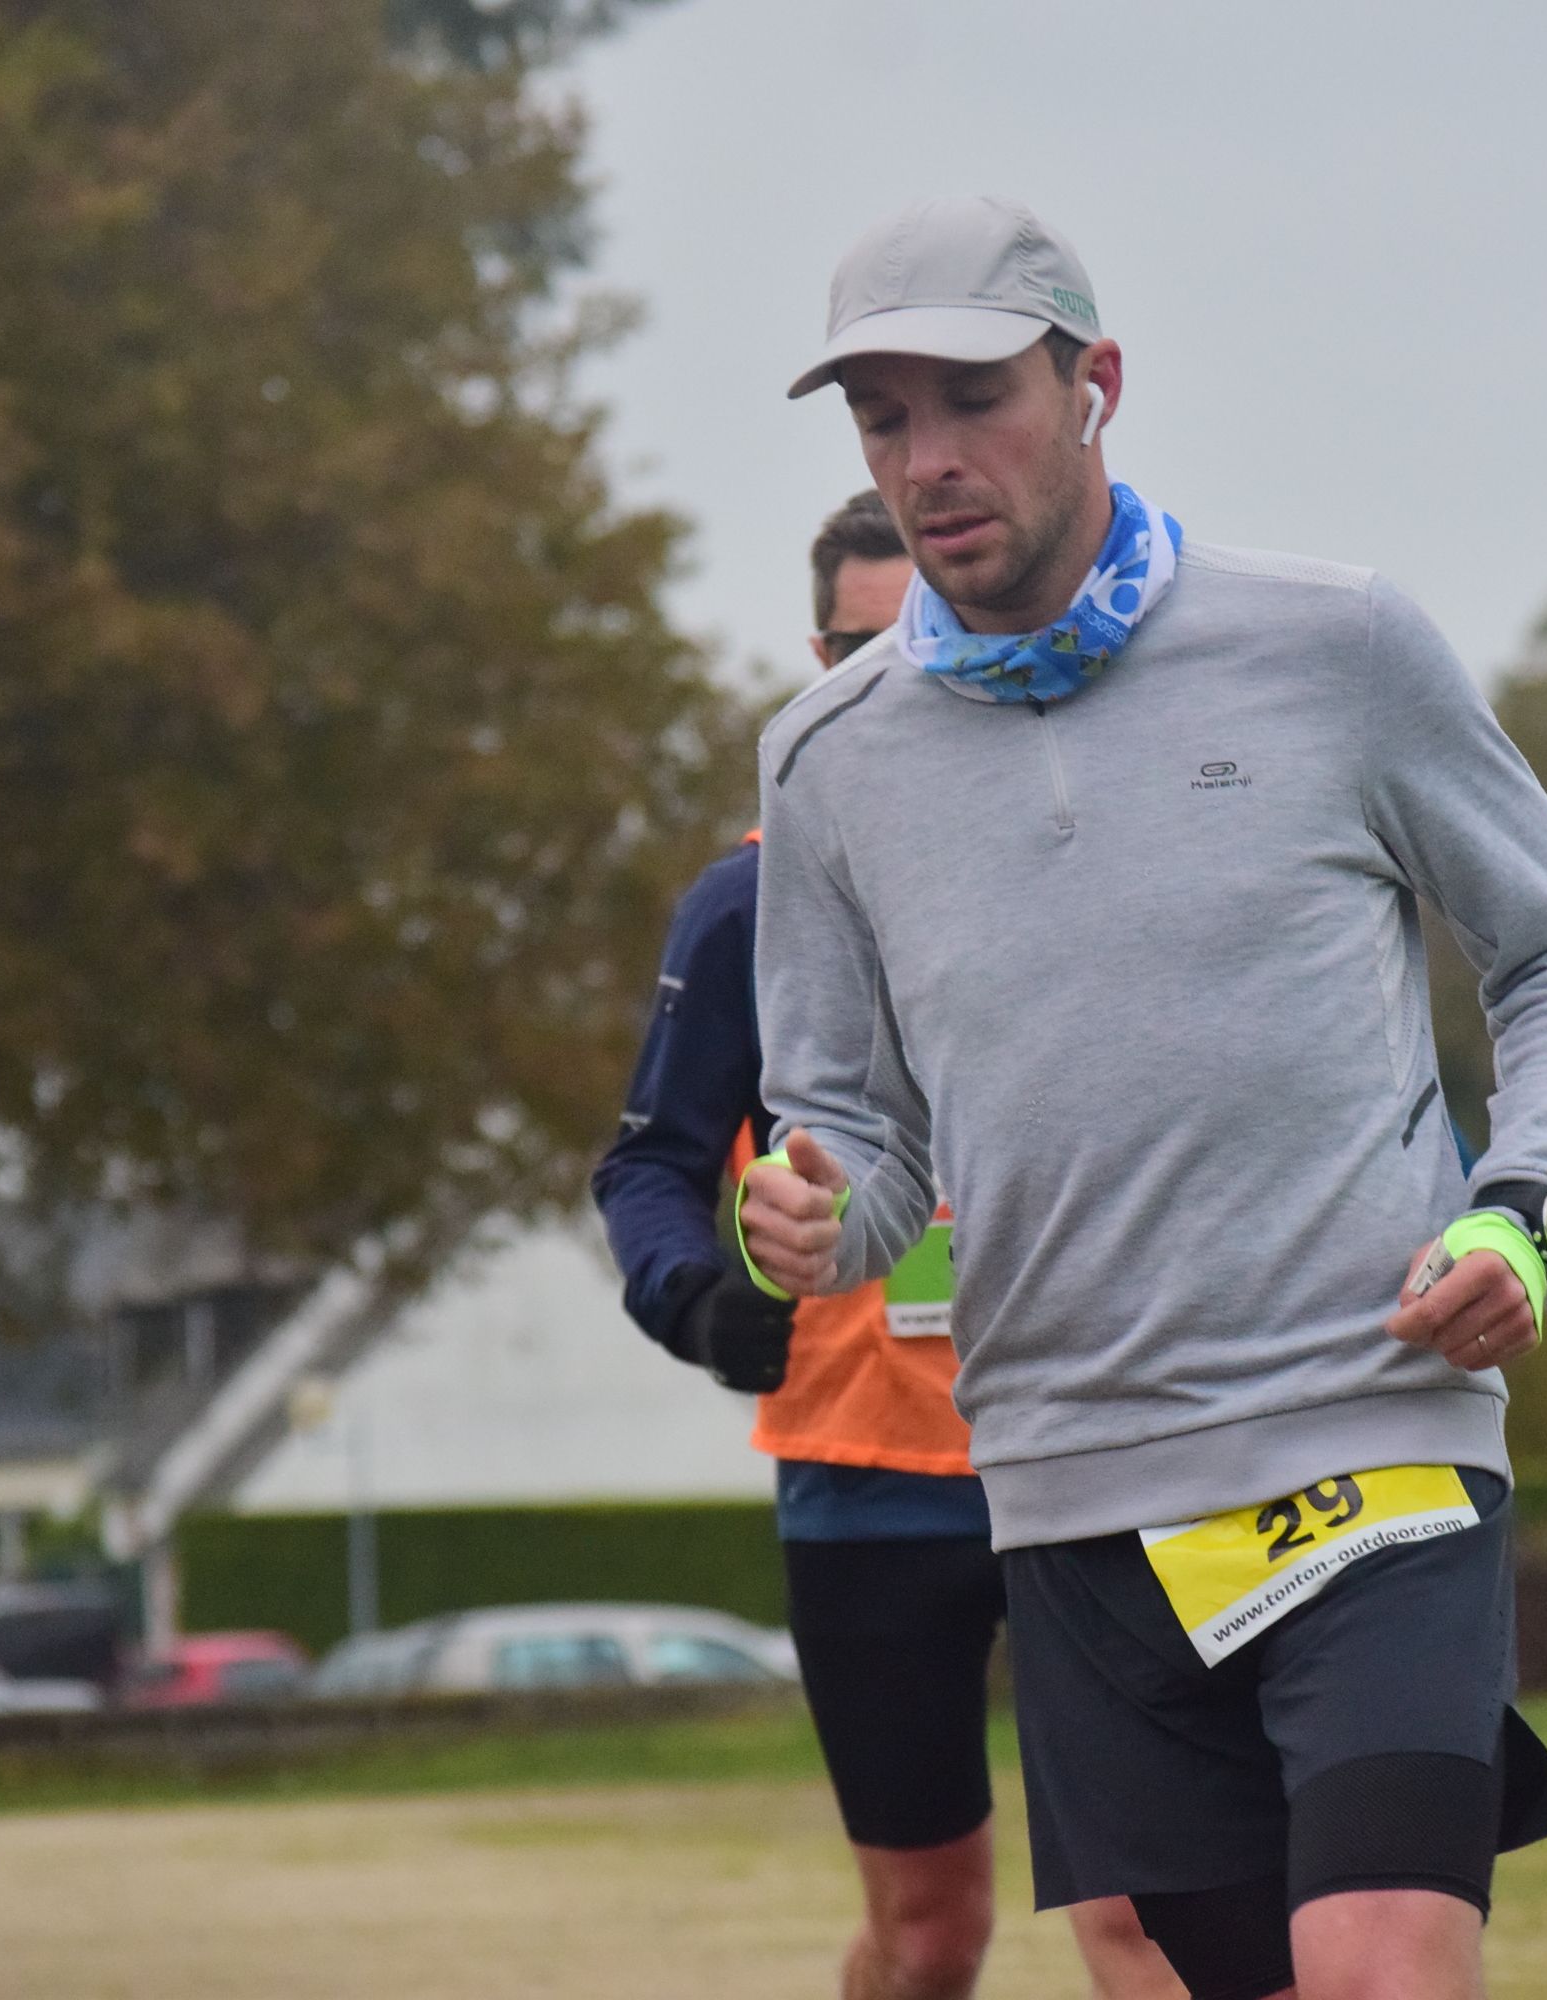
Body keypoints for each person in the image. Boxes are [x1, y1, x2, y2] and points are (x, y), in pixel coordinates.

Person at [742, 196, 1547, 2000]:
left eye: (973, 398)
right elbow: (871, 1153)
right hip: (1075, 1496)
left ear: (1095, 384)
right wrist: (814, 1228)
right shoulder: (827, 764)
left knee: (1381, 1973)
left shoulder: (1336, 645)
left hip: (1372, 1430)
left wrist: (1525, 1216)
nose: (927, 460)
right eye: (883, 419)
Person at [591, 491, 1182, 2000]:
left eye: (916, 637)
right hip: (866, 1490)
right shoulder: (749, 900)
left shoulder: (1075, 844)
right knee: (930, 1938)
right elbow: (649, 1164)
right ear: (815, 661)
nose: (889, 677)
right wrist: (695, 1302)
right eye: (857, 650)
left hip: (1090, 1445)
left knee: (1143, 1917)